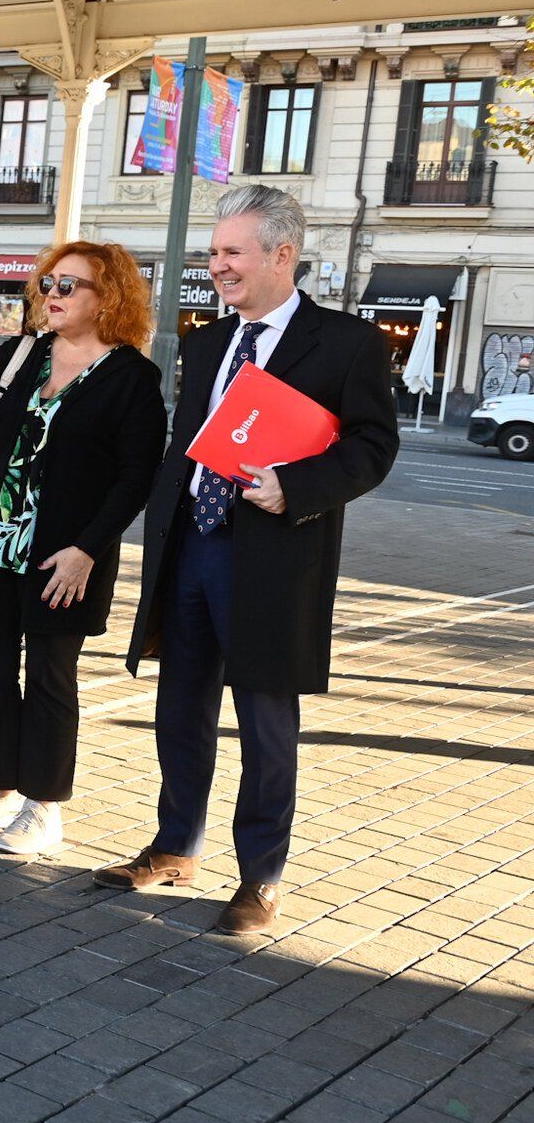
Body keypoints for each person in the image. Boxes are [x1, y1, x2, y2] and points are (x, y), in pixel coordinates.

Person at [101, 185, 398, 933]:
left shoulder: (346, 343)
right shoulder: (206, 342)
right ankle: (175, 847)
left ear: (282, 255)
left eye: (233, 252)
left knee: (266, 725)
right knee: (180, 710)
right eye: (214, 251)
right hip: (190, 551)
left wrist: (294, 487)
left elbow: (372, 447)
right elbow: (188, 444)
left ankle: (261, 878)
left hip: (272, 560)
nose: (219, 265)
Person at [0, 241, 166, 855]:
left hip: (64, 557)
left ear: (109, 298)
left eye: (69, 286)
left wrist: (88, 550)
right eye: (48, 283)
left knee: (49, 678)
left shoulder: (132, 378)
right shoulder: (26, 353)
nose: (51, 295)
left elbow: (136, 477)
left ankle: (44, 807)